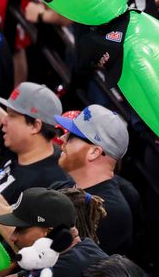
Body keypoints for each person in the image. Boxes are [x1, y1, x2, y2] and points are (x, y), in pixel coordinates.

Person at [53, 104, 135, 256]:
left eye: (71, 136)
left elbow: (53, 263)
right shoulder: (65, 185)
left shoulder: (107, 211)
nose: (62, 138)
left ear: (94, 152)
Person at [0, 83, 65, 202]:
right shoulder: (16, 147)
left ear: (35, 126)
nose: (3, 120)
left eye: (12, 115)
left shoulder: (49, 185)